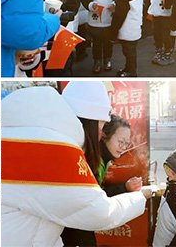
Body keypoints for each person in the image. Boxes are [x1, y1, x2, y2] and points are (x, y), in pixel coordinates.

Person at [2, 84, 151, 246]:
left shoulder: (26, 132)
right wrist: (140, 196)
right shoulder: (56, 148)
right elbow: (102, 213)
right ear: (90, 121)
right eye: (101, 125)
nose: (100, 133)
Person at [60, 91, 143, 246]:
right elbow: (94, 201)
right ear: (104, 135)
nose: (123, 148)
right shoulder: (91, 160)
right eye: (120, 142)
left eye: (127, 143)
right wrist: (131, 192)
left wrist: (125, 186)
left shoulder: (102, 159)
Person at [81, 0, 117, 73]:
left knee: (108, 42)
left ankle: (107, 59)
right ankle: (97, 61)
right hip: (95, 21)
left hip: (109, 21)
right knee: (96, 43)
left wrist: (113, 4)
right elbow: (85, 0)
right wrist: (92, 6)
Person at [110, 0, 147, 77]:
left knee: (128, 52)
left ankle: (131, 71)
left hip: (126, 29)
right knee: (130, 51)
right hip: (135, 28)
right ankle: (128, 68)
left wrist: (113, 32)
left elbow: (119, 16)